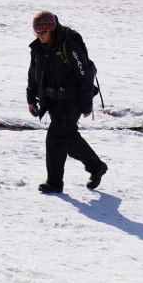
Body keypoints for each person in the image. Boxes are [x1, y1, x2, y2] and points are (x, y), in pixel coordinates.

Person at [26, 10, 107, 194]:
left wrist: (86, 105)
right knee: (69, 140)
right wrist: (32, 98)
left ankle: (54, 183)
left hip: (72, 101)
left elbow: (85, 76)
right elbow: (34, 75)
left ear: (52, 30)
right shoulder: (38, 49)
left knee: (55, 138)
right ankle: (97, 167)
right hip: (53, 101)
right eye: (36, 33)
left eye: (43, 33)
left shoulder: (68, 45)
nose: (39, 36)